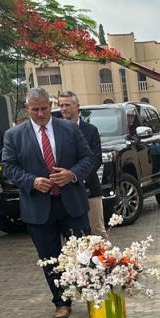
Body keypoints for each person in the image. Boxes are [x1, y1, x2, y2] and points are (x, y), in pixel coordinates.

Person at [1, 88, 95, 318]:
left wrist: (71, 174)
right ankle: (61, 301)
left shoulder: (70, 129)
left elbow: (89, 158)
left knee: (83, 254)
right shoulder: (14, 135)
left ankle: (93, 294)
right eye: (35, 110)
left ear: (50, 105)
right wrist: (31, 181)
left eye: (44, 108)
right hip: (38, 208)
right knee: (50, 258)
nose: (41, 114)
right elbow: (9, 167)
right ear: (27, 109)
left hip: (71, 202)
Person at [57, 91, 104, 237]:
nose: (64, 109)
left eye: (67, 105)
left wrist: (77, 177)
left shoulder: (91, 130)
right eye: (61, 105)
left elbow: (95, 159)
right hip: (65, 191)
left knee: (97, 232)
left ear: (77, 106)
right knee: (73, 236)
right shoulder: (55, 131)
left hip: (90, 188)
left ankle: (104, 260)